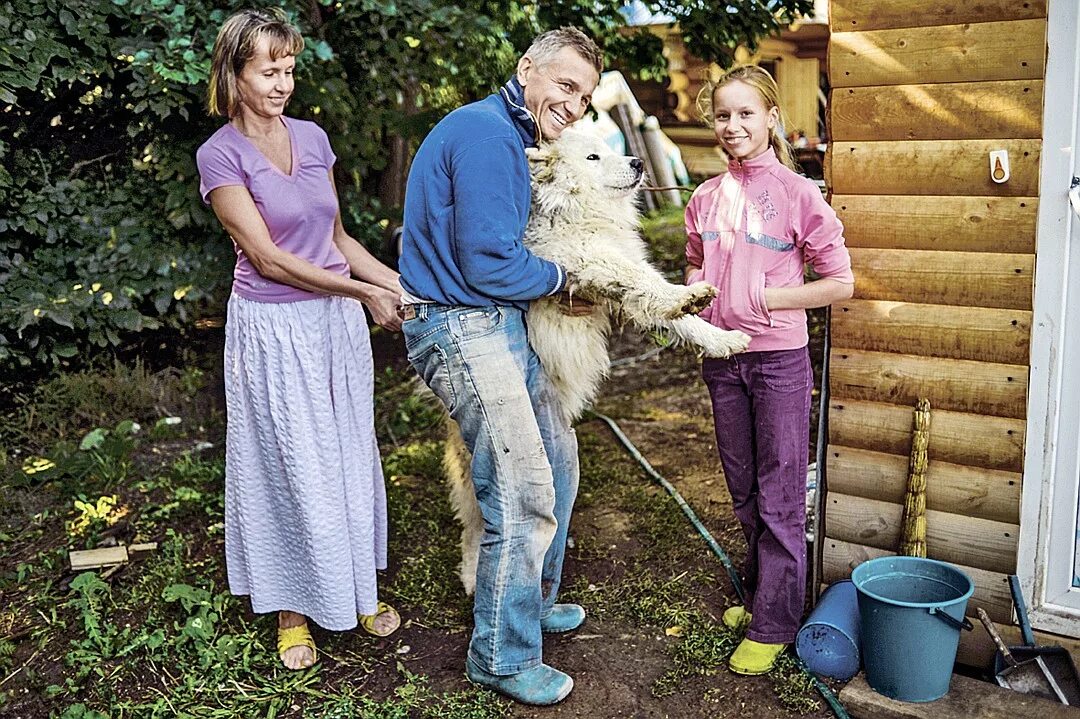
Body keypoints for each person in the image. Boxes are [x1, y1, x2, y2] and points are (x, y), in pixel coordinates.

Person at [397, 27, 602, 706]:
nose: (574, 104)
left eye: (585, 96)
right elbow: (489, 260)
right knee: (520, 487)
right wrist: (563, 277)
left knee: (559, 458)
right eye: (565, 86)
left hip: (495, 319)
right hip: (460, 324)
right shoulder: (486, 133)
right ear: (528, 70)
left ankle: (533, 598)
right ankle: (501, 654)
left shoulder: (510, 135)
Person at [195, 8, 403, 671]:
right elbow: (270, 260)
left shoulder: (312, 138)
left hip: (334, 322)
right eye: (268, 71)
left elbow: (337, 241)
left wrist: (397, 283)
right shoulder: (219, 155)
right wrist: (364, 294)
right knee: (289, 460)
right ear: (234, 73)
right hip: (275, 327)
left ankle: (357, 588)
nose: (282, 83)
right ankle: (292, 608)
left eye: (289, 70)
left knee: (345, 448)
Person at [684, 65, 854, 676]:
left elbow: (840, 282)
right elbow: (694, 269)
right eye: (723, 116)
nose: (733, 126)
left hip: (779, 359)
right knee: (743, 487)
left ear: (771, 118)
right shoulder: (704, 197)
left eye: (746, 114)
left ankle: (776, 623)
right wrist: (697, 307)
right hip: (722, 358)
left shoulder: (798, 193)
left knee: (781, 490)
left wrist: (763, 300)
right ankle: (763, 597)